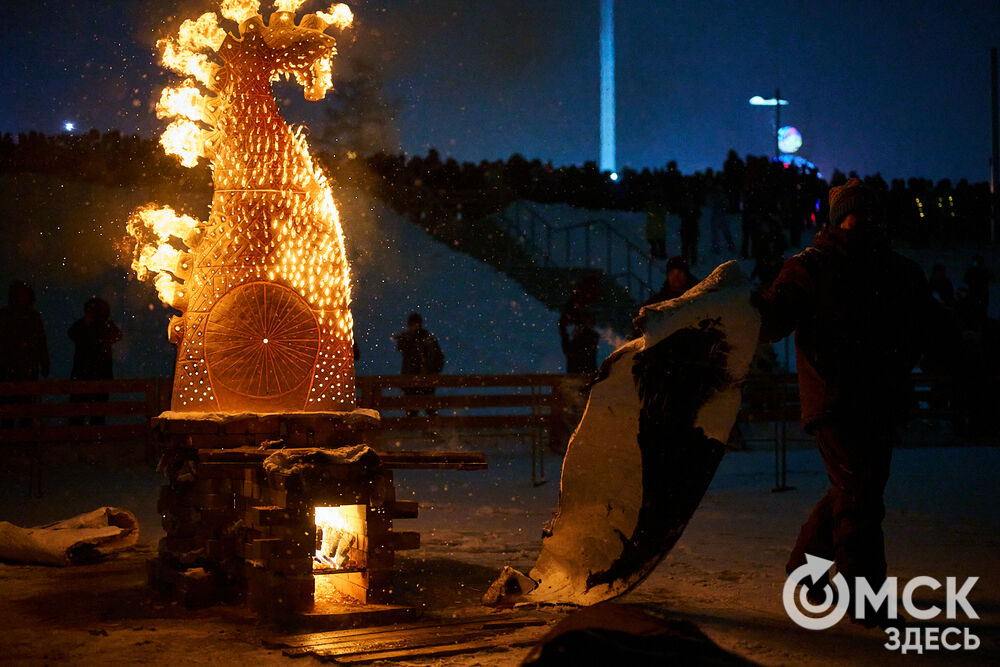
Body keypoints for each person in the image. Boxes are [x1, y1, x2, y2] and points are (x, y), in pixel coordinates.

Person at [754, 178, 935, 628]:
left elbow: (929, 326)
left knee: (857, 490)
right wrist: (749, 307)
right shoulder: (811, 267)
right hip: (834, 399)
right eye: (856, 213)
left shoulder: (898, 271)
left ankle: (806, 568)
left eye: (872, 213)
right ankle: (865, 599)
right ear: (838, 219)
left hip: (882, 397)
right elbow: (774, 317)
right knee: (859, 497)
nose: (866, 221)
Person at [0, 281, 49, 427]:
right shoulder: (7, 316)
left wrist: (44, 362)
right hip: (11, 369)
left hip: (21, 369)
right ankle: (13, 441)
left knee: (23, 409)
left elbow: (41, 341)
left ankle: (17, 441)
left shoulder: (32, 317)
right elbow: (40, 342)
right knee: (12, 409)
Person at [68, 296, 122, 425]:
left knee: (92, 411)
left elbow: (117, 335)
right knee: (84, 411)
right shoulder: (89, 325)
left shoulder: (102, 325)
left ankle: (84, 438)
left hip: (89, 374)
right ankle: (86, 437)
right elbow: (72, 333)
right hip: (90, 374)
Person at [394, 313, 445, 417]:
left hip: (420, 379)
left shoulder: (424, 339)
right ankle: (430, 430)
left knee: (423, 409)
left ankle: (429, 430)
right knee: (419, 410)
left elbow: (437, 358)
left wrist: (431, 371)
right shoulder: (423, 338)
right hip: (419, 379)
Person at [558, 310, 599, 375]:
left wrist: (563, 332)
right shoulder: (588, 337)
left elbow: (570, 351)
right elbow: (569, 351)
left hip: (583, 375)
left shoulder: (588, 337)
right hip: (582, 375)